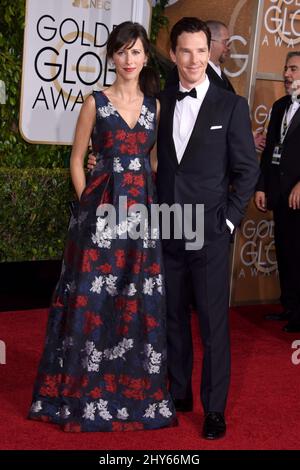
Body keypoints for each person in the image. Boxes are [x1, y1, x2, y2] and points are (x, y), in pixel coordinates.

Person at [28, 21, 176, 432]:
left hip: (140, 223)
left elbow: (152, 165)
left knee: (134, 303)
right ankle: (83, 391)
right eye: (121, 51)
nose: (129, 60)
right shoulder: (95, 102)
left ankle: (131, 392)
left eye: (136, 52)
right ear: (111, 56)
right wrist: (88, 204)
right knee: (92, 304)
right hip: (99, 222)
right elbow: (77, 160)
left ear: (146, 57)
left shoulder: (155, 107)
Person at [157, 17, 259, 439]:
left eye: (201, 50)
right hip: (167, 225)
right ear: (174, 54)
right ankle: (179, 391)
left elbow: (247, 169)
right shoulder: (160, 102)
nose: (194, 59)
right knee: (174, 316)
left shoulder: (230, 105)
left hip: (212, 231)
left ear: (209, 51)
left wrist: (230, 220)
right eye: (186, 51)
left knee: (214, 324)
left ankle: (214, 408)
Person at [165, 19, 265, 152]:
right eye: (225, 42)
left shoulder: (227, 89)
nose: (194, 60)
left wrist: (242, 136)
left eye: (200, 51)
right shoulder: (177, 79)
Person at [254, 51, 300, 333]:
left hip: (299, 192)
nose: (287, 74)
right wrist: (261, 186)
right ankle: (290, 306)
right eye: (286, 69)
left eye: (293, 69)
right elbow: (270, 149)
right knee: (284, 251)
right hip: (279, 193)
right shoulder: (280, 105)